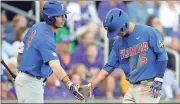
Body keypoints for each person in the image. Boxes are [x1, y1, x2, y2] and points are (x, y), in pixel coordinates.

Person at [79, 8, 168, 103]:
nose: (116, 33)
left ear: (124, 23)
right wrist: (91, 86)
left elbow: (162, 56)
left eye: (117, 30)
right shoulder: (118, 43)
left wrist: (159, 78)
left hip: (149, 85)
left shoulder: (148, 32)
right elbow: (108, 68)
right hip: (132, 86)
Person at [15, 1, 84, 103]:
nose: (63, 18)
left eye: (64, 15)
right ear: (50, 17)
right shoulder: (46, 38)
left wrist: (21, 73)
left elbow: (20, 54)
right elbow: (55, 66)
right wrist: (69, 84)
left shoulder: (36, 26)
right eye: (59, 16)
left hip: (27, 80)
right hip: (31, 83)